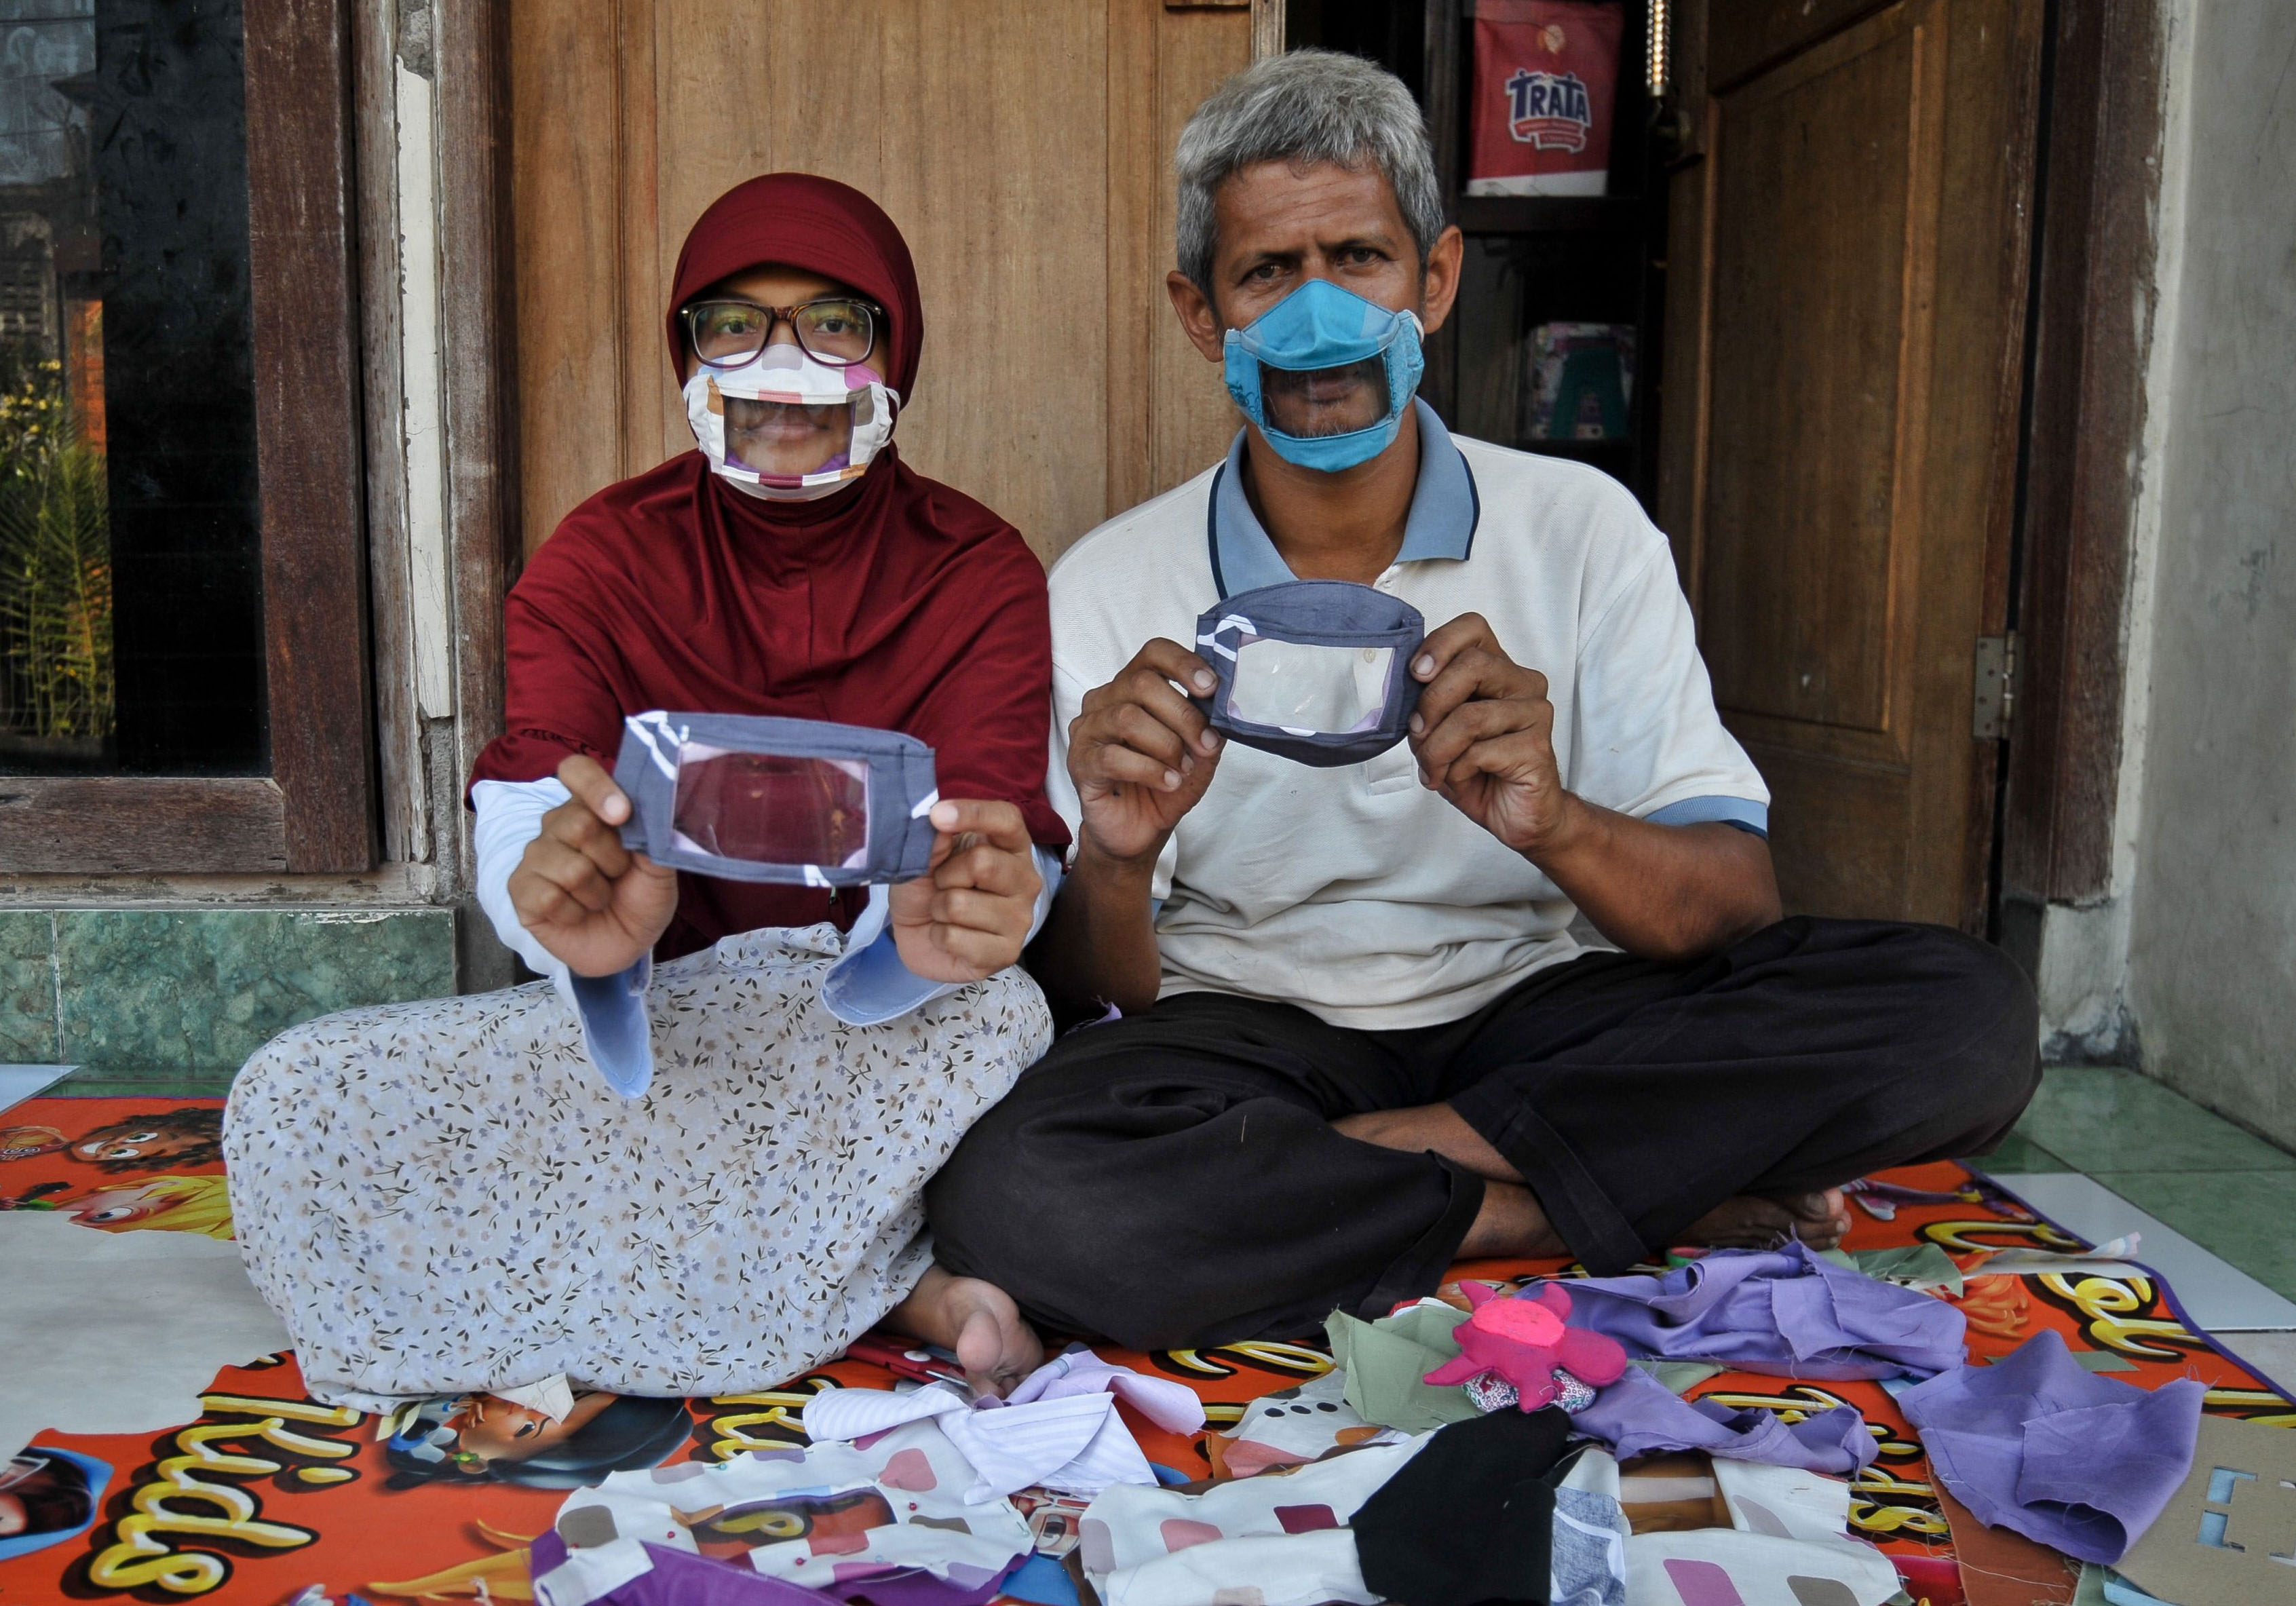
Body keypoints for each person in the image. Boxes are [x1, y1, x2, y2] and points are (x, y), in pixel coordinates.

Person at [925, 52, 2041, 1352]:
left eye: (1361, 258)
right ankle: (1539, 1208)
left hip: (1536, 1012)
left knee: (1968, 1019)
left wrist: (1552, 821)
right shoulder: (1116, 580)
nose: (1320, 316)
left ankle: (1376, 1166)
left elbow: (1737, 908)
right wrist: (1119, 855)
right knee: (1023, 1194)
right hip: (1249, 1027)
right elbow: (1094, 995)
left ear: (1437, 279)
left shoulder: (1578, 527)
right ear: (1199, 311)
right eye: (1268, 274)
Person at [227, 174, 1063, 1408]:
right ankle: (881, 1274)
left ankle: (795, 1261)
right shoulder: (599, 556)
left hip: (875, 1035)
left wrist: (951, 932)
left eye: (836, 321)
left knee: (1003, 1025)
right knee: (300, 1100)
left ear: (900, 351)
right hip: (661, 1021)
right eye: (733, 324)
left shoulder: (981, 569)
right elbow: (528, 791)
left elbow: (1005, 840)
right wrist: (565, 918)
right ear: (686, 352)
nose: (781, 366)